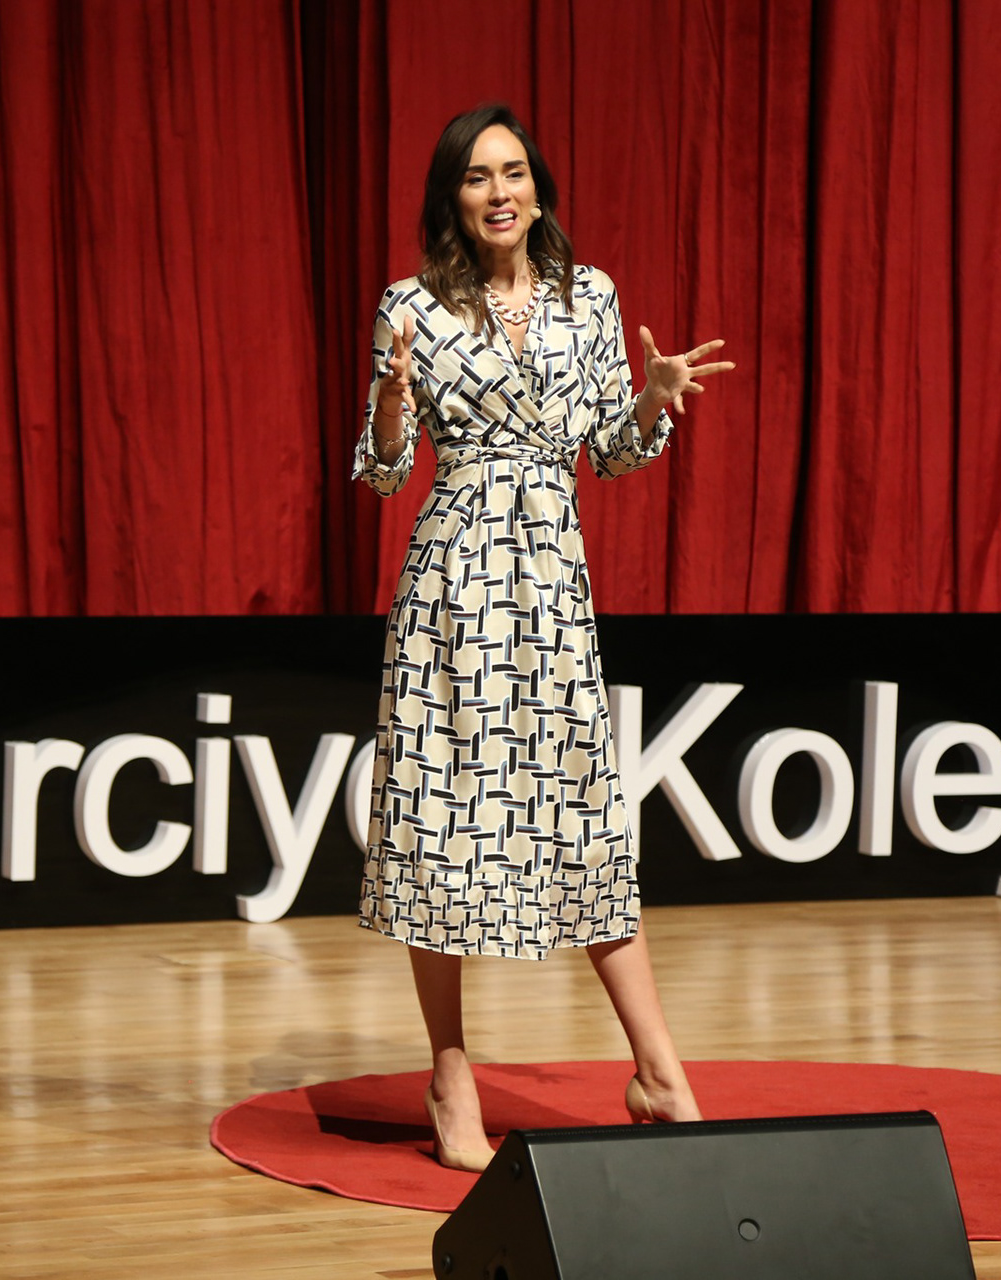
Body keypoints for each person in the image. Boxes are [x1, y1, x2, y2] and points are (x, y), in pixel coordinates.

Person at [352, 104, 736, 1172]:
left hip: (553, 587)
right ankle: (450, 1075)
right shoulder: (410, 307)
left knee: (586, 819)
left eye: (514, 172)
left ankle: (659, 1071)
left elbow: (610, 451)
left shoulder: (589, 295)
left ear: (537, 188)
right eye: (478, 177)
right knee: (439, 824)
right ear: (454, 197)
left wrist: (651, 400)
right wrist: (391, 404)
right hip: (453, 585)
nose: (500, 192)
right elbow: (383, 471)